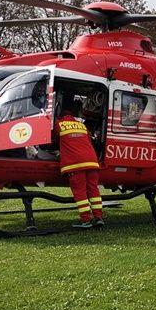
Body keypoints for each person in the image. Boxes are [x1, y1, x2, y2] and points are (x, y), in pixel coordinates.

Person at [54, 97, 104, 228]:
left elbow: (53, 140)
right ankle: (98, 217)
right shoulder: (82, 125)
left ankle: (85, 220)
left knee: (80, 192)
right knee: (93, 189)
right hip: (92, 162)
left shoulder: (59, 124)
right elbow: (89, 140)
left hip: (75, 164)